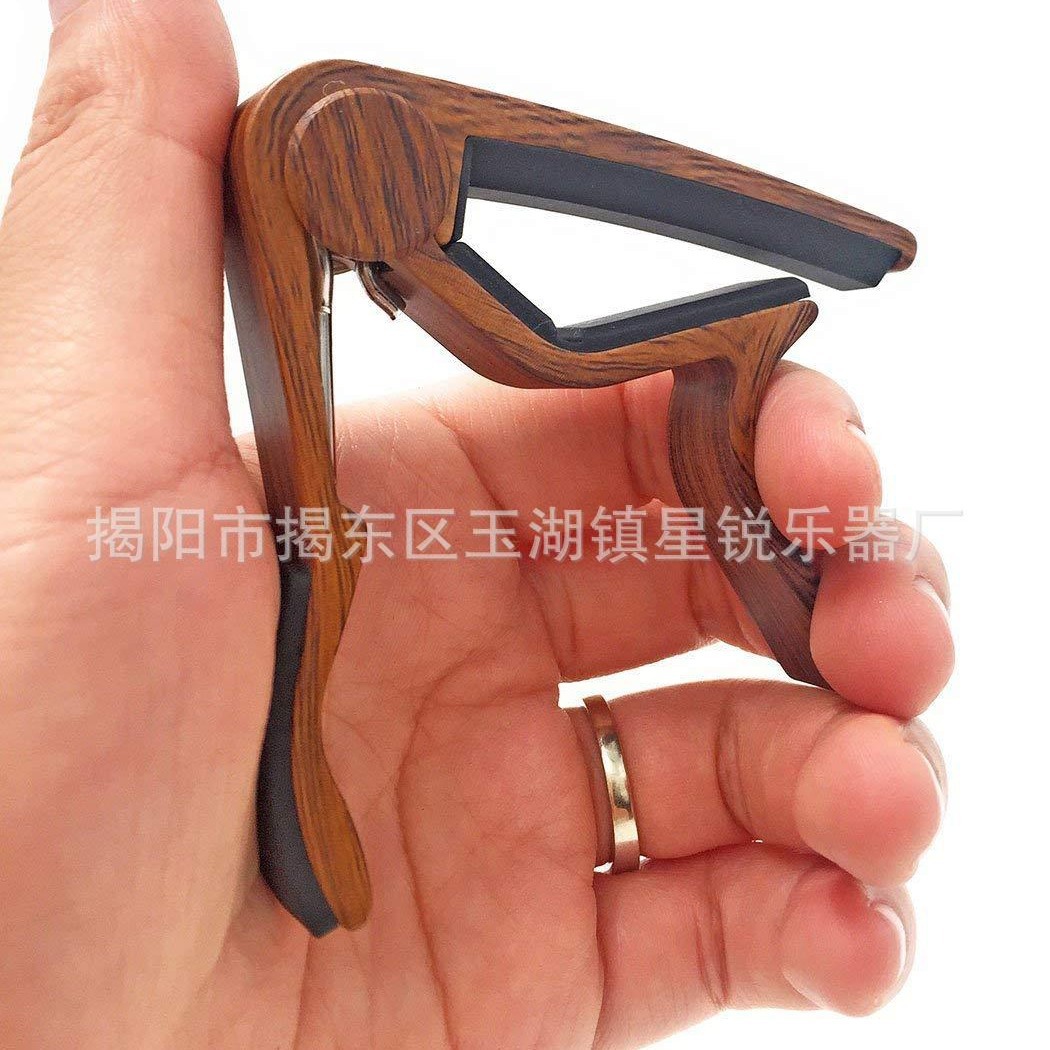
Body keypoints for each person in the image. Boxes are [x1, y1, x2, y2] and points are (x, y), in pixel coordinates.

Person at [0, 2, 953, 1047]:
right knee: (323, 555)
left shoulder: (339, 148)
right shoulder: (330, 146)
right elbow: (533, 345)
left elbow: (535, 340)